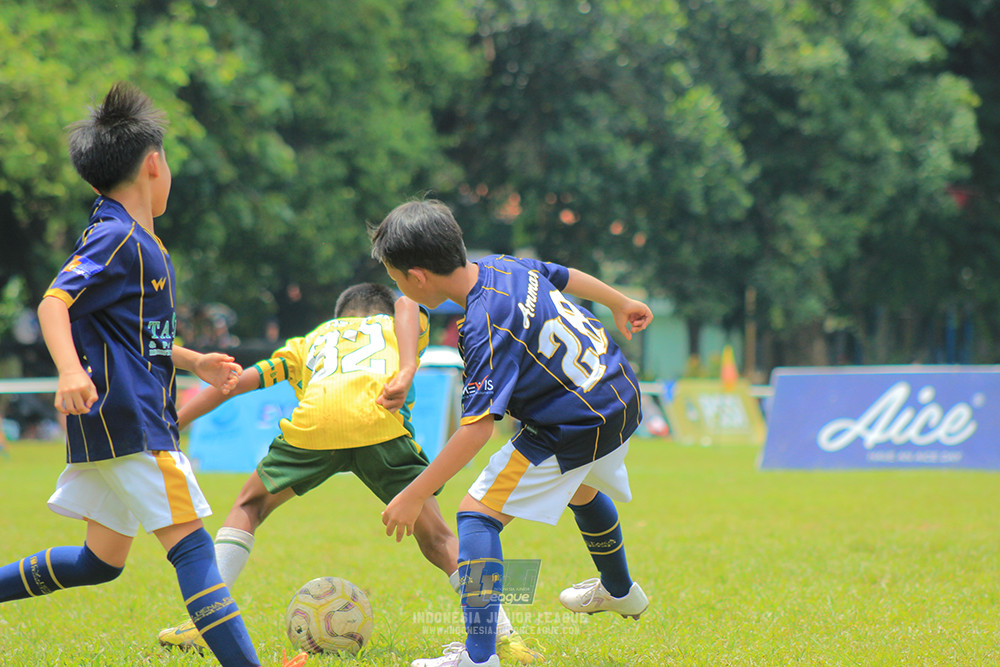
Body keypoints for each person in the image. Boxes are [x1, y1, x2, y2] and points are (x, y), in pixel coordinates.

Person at [0, 82, 305, 667]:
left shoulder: (143, 245)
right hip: (133, 422)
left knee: (100, 561)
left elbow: (142, 337)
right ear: (154, 164)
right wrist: (67, 369)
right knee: (192, 549)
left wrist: (194, 362)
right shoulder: (115, 236)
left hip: (112, 426)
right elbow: (52, 303)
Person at [157, 283, 541, 664]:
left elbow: (231, 384)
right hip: (381, 426)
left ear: (339, 316)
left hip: (315, 426)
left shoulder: (310, 340)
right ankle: (505, 637)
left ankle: (203, 622)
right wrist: (407, 361)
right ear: (383, 312)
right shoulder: (398, 325)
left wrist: (172, 423)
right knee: (440, 540)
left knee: (249, 505)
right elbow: (409, 305)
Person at [370, 199, 653, 667]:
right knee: (579, 487)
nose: (398, 287)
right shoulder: (500, 266)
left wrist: (415, 494)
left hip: (575, 421)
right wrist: (619, 301)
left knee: (476, 517)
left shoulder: (482, 323)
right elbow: (561, 274)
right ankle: (621, 591)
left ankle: (479, 657)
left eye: (397, 277)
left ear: (418, 275)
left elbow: (477, 430)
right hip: (619, 392)